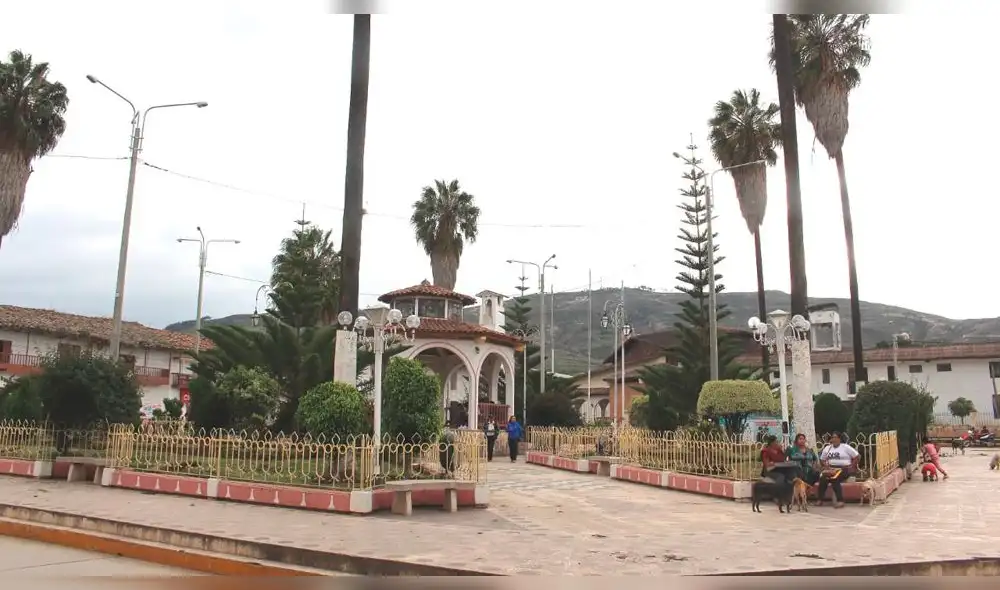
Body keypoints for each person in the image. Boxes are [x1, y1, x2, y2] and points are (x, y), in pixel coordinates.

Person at [817, 432, 859, 508]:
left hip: (844, 468)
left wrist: (852, 466)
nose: (834, 439)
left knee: (835, 478)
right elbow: (822, 459)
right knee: (823, 478)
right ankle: (820, 499)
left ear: (840, 439)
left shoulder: (845, 447)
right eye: (833, 437)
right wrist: (826, 466)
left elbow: (857, 456)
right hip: (831, 468)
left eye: (836, 437)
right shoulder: (827, 448)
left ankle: (840, 501)